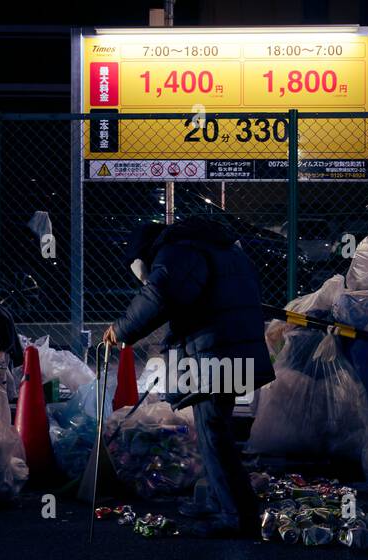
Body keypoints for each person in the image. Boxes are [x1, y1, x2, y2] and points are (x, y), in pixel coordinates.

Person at [105, 218, 274, 538]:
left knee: (213, 431)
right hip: (231, 346)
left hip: (217, 350)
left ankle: (236, 514)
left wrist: (121, 329)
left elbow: (160, 295)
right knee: (216, 426)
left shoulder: (179, 253)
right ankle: (216, 499)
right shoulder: (220, 248)